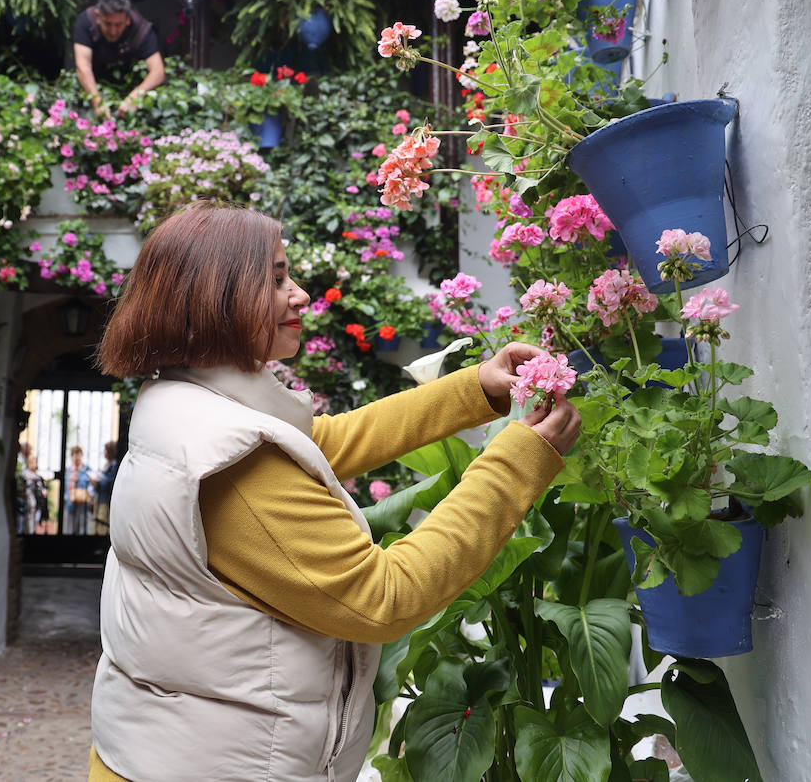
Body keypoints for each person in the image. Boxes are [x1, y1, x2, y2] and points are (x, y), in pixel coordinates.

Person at [87, 203, 580, 782]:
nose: (300, 295)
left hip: (160, 752)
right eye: (274, 280)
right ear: (216, 299)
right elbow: (380, 598)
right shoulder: (232, 464)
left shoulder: (184, 404)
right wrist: (519, 460)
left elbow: (322, 440)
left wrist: (476, 390)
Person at [72, 0, 166, 119]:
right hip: (91, 89)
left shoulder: (142, 30)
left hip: (132, 88)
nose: (113, 31)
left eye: (118, 25)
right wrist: (98, 103)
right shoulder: (86, 21)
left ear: (128, 19)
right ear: (98, 16)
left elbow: (158, 72)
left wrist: (135, 97)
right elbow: (83, 67)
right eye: (108, 24)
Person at [65, 444, 95, 535]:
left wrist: (90, 497)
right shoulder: (68, 470)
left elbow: (91, 486)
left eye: (78, 454)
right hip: (70, 505)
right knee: (69, 531)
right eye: (74, 454)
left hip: (83, 505)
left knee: (83, 530)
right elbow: (65, 487)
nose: (76, 457)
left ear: (81, 455)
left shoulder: (87, 469)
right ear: (71, 456)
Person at [95, 440, 119, 533]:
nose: (104, 452)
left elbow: (110, 481)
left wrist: (98, 482)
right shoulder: (106, 464)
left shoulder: (114, 465)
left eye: (105, 450)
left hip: (106, 498)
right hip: (101, 497)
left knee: (103, 521)